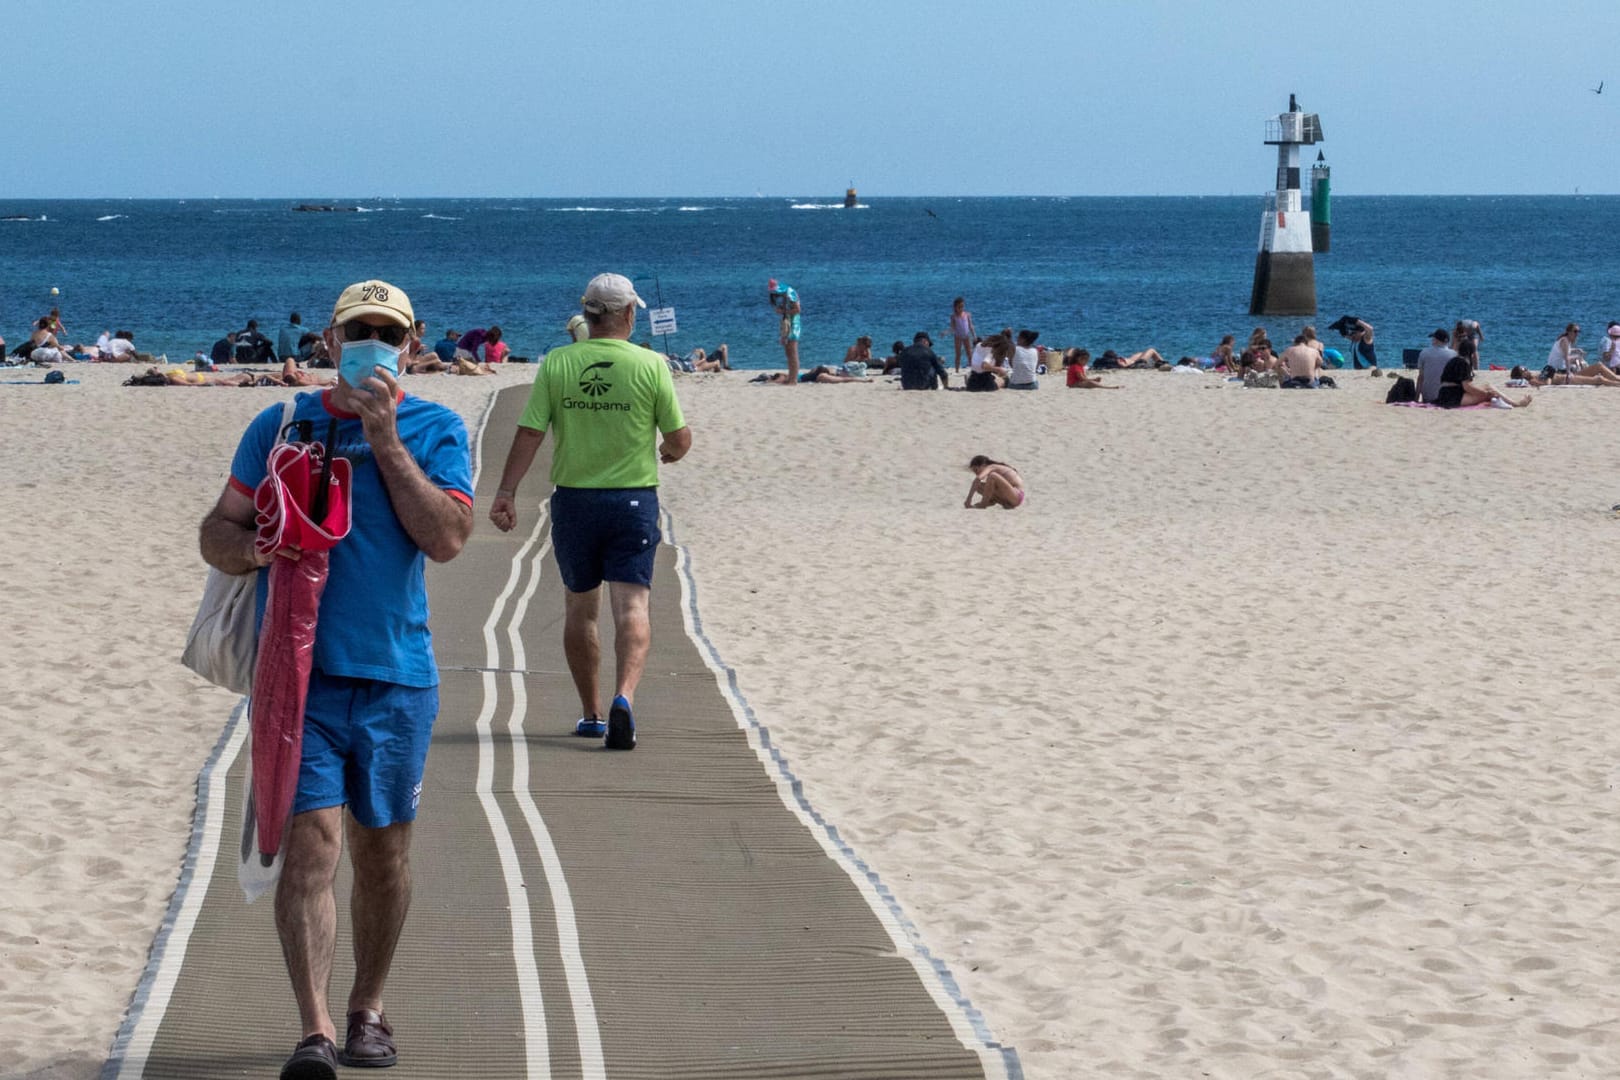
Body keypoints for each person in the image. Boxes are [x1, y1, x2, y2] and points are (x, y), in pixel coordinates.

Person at [198, 279, 473, 1079]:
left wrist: (385, 440)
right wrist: (258, 547)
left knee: (382, 854)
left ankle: (367, 1009)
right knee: (311, 852)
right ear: (330, 340)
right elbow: (217, 530)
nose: (374, 342)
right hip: (297, 680)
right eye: (360, 329)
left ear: (413, 344)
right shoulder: (282, 423)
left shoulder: (437, 427)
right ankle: (315, 1030)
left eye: (388, 331)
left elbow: (449, 537)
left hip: (395, 676)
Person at [489, 273, 691, 752]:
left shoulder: (558, 362)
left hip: (575, 500)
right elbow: (680, 438)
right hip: (633, 499)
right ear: (628, 314)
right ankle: (625, 697)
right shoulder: (650, 363)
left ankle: (592, 714)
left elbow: (531, 432)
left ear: (589, 313)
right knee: (633, 605)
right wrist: (671, 451)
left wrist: (506, 491)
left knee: (581, 606)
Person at [1433, 356, 1531, 409]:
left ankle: (1509, 402)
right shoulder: (1463, 363)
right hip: (1452, 398)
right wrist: (1486, 394)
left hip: (1444, 393)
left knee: (1487, 387)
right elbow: (1467, 387)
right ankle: (1515, 404)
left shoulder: (1453, 360)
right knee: (1489, 391)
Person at [767, 278, 801, 384]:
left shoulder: (790, 292)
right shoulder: (784, 294)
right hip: (787, 324)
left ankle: (793, 379)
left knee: (793, 352)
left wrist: (783, 311)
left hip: (794, 325)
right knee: (788, 352)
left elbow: (798, 310)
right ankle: (791, 377)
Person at [1414, 328, 1457, 404]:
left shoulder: (1424, 352)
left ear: (1436, 340)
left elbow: (1420, 378)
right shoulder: (1454, 354)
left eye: (1434, 338)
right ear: (1446, 341)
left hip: (1428, 398)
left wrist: (1416, 399)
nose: (1433, 340)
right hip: (1447, 398)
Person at [950, 296, 977, 371]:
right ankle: (957, 370)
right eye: (959, 307)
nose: (961, 308)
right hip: (958, 336)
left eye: (962, 306)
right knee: (958, 354)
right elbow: (952, 328)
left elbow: (971, 325)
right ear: (955, 307)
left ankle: (973, 369)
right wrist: (945, 332)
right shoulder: (953, 316)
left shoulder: (967, 314)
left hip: (966, 336)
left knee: (969, 353)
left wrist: (974, 335)